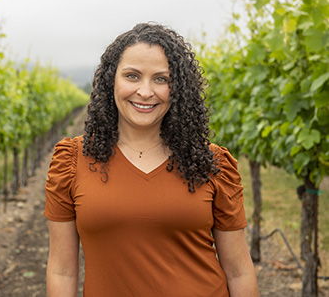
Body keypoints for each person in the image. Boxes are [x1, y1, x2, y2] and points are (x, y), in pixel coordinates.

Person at [44, 23, 259, 296]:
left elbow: (239, 271)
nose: (145, 92)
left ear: (177, 88)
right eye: (132, 76)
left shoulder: (212, 163)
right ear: (112, 81)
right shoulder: (71, 162)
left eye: (161, 79)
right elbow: (62, 271)